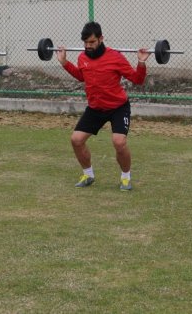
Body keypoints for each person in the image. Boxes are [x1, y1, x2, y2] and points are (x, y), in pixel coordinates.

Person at [56, 21, 149, 191]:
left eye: (92, 42)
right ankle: (88, 175)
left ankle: (126, 178)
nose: (88, 46)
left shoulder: (115, 57)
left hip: (118, 107)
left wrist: (141, 63)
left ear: (101, 39)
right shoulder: (82, 57)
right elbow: (81, 76)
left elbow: (138, 80)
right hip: (95, 108)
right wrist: (64, 62)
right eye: (85, 43)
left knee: (119, 142)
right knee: (76, 140)